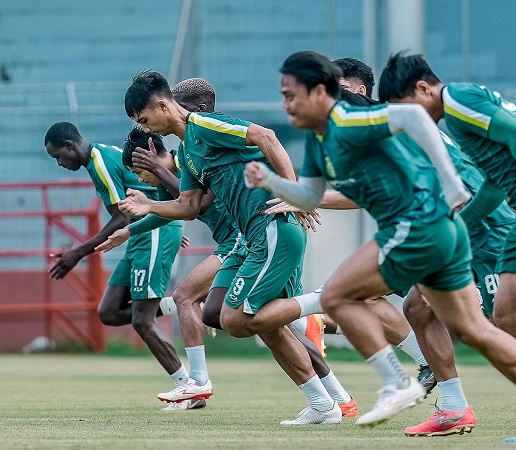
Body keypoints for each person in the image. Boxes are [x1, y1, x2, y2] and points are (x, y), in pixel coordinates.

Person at [244, 50, 516, 446]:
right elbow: (318, 192)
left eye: (290, 94)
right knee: (461, 323)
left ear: (325, 91)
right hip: (446, 229)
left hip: (448, 228)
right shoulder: (323, 141)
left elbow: (416, 122)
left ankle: (397, 383)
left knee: (339, 295)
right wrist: (272, 183)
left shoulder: (358, 120)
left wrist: (454, 188)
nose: (284, 105)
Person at [378, 51, 516, 440]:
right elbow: (495, 185)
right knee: (508, 318)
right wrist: (456, 230)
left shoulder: (459, 102)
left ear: (424, 88)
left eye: (405, 108)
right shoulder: (459, 120)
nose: (407, 119)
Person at [117, 70, 344, 425]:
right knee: (258, 323)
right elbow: (189, 206)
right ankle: (324, 405)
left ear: (163, 105)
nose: (146, 129)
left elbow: (266, 136)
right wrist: (149, 206)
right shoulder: (188, 150)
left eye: (145, 120)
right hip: (250, 238)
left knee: (236, 320)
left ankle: (325, 300)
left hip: (270, 227)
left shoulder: (205, 125)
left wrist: (296, 194)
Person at [44, 122, 192, 411]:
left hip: (150, 233)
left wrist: (77, 253)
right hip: (145, 233)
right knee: (109, 312)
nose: (60, 163)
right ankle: (179, 304)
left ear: (70, 146)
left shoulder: (99, 163)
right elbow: (133, 203)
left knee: (141, 320)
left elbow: (120, 219)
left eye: (58, 156)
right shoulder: (100, 157)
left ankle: (188, 389)